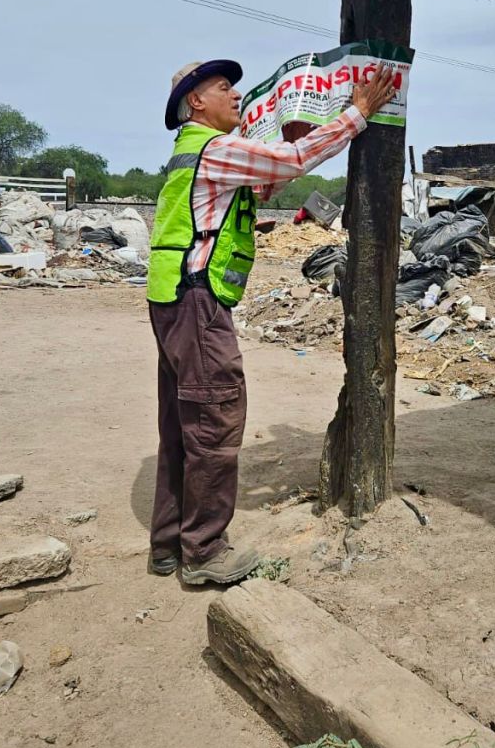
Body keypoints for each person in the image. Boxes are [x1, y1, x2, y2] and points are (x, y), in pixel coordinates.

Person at [145, 57, 397, 584]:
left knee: (183, 424)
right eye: (223, 88)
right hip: (197, 303)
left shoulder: (191, 153)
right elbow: (294, 159)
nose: (235, 95)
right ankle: (205, 553)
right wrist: (358, 112)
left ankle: (169, 545)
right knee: (215, 421)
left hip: (174, 299)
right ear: (196, 102)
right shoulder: (214, 147)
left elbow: (245, 196)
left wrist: (277, 176)